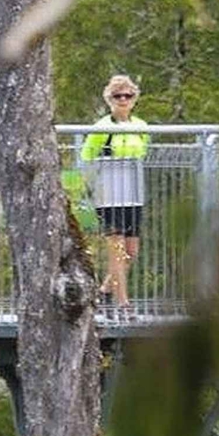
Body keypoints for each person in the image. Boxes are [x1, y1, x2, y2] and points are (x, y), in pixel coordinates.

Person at [80, 74, 150, 312]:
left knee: (131, 252)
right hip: (109, 194)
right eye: (117, 95)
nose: (123, 99)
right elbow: (87, 157)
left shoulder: (140, 126)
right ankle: (123, 304)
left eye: (127, 95)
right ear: (109, 99)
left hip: (133, 193)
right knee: (117, 249)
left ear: (134, 99)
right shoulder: (102, 127)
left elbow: (144, 153)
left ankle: (102, 292)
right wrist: (89, 191)